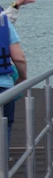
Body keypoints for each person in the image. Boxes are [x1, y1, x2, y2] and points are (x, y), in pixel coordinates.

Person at [0, 13, 27, 150]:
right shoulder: (3, 22)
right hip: (3, 85)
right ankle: (2, 166)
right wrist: (22, 77)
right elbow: (19, 57)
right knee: (4, 125)